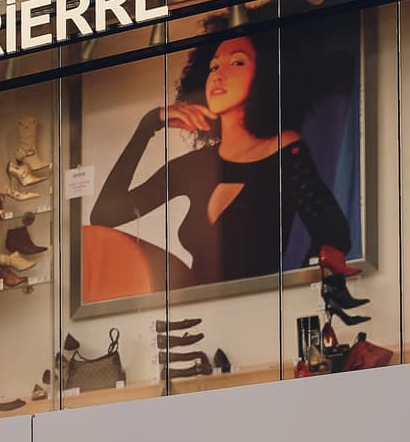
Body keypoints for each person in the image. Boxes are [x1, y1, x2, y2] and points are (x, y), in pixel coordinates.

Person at [84, 22, 355, 295]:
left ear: (265, 74)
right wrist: (147, 126)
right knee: (92, 240)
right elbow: (104, 216)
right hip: (193, 307)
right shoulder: (196, 166)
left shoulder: (284, 148)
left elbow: (334, 235)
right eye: (213, 67)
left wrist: (300, 291)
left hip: (257, 310)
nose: (218, 75)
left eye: (237, 63)